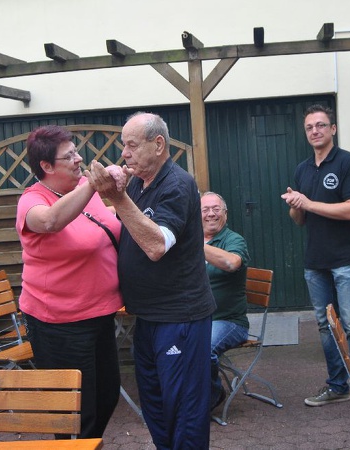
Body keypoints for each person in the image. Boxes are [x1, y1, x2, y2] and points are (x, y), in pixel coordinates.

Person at [88, 112, 216, 450]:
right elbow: (122, 217)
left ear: (158, 145)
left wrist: (117, 197)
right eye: (123, 146)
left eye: (131, 145)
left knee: (184, 410)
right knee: (156, 406)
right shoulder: (140, 184)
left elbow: (157, 245)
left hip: (180, 317)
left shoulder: (177, 184)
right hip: (147, 316)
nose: (124, 153)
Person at [15, 125, 123, 439]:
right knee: (75, 411)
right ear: (46, 166)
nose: (79, 159)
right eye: (69, 156)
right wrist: (93, 185)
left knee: (107, 394)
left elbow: (109, 219)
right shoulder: (32, 201)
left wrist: (117, 182)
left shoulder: (85, 189)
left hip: (99, 314)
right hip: (59, 324)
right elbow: (50, 221)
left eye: (76, 151)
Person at [281, 104, 350, 407]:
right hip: (316, 260)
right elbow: (300, 220)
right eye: (309, 127)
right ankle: (337, 386)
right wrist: (296, 205)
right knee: (325, 325)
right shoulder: (303, 169)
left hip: (346, 257)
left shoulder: (348, 162)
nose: (315, 131)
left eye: (321, 125)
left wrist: (308, 203)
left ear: (333, 129)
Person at [201, 191, 250, 411]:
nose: (210, 214)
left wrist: (195, 244)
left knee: (203, 348)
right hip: (196, 319)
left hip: (229, 321)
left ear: (225, 214)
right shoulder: (190, 240)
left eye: (216, 209)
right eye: (205, 209)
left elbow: (232, 263)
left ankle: (212, 395)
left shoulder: (233, 240)